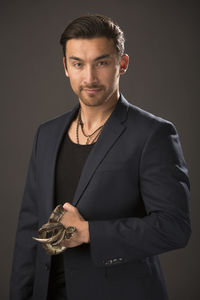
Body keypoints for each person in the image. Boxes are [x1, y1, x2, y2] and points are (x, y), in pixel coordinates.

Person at [10, 14, 191, 300]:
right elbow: (29, 231)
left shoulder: (153, 134)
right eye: (78, 64)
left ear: (123, 64)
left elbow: (174, 228)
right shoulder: (46, 134)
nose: (90, 77)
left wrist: (90, 233)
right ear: (66, 67)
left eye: (102, 62)